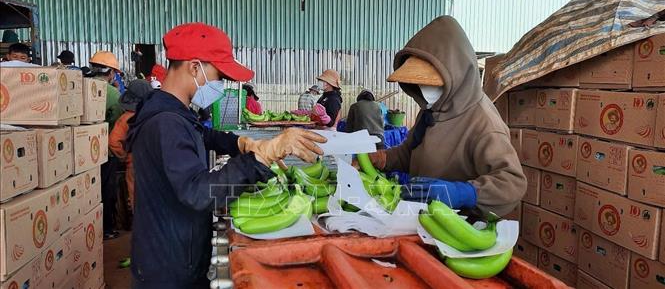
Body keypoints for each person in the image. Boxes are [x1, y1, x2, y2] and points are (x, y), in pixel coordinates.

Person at [125, 22, 326, 288]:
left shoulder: (174, 113)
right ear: (194, 67)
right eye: (218, 75)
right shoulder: (166, 123)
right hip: (168, 269)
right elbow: (198, 192)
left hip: (172, 251)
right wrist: (260, 157)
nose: (220, 85)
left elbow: (201, 136)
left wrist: (240, 143)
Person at [360, 16, 526, 216]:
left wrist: (462, 193)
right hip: (418, 216)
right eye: (420, 84)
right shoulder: (432, 110)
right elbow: (409, 153)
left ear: (456, 77)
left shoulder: (483, 122)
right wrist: (380, 159)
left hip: (457, 226)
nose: (424, 90)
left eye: (432, 82)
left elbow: (512, 183)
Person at [88, 50, 124, 239]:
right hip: (104, 150)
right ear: (110, 73)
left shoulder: (82, 86)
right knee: (106, 189)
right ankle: (106, 228)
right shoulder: (113, 93)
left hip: (82, 152)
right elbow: (118, 121)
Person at [109, 79, 154, 210]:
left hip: (134, 164)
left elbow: (114, 142)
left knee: (137, 203)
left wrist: (126, 157)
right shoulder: (155, 115)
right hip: (155, 164)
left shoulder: (125, 119)